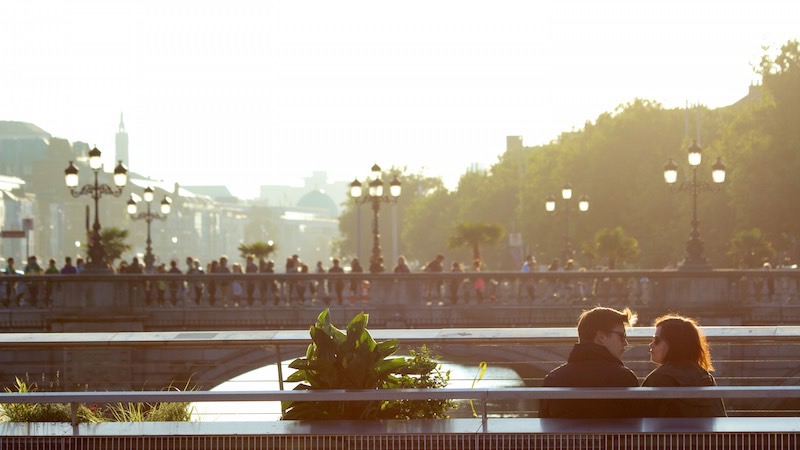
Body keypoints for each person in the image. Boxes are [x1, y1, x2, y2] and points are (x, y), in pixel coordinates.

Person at [539, 306, 640, 418]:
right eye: (622, 336)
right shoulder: (624, 378)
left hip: (569, 436)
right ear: (601, 337)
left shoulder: (553, 379)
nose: (625, 343)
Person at [642, 314, 727, 417]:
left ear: (673, 344)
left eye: (657, 340)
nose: (651, 344)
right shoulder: (705, 377)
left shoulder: (658, 379)